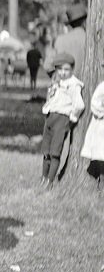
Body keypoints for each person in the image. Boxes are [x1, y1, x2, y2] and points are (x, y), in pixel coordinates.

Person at [41, 52, 84, 186]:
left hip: (62, 118)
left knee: (55, 152)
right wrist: (46, 108)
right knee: (46, 151)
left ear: (72, 69)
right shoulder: (56, 80)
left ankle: (50, 180)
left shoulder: (73, 84)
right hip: (50, 117)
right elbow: (51, 97)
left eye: (66, 69)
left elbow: (79, 104)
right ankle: (43, 177)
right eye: (60, 69)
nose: (63, 72)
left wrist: (72, 118)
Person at [51, 3, 87, 76]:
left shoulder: (59, 40)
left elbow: (48, 66)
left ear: (70, 24)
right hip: (88, 84)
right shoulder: (92, 40)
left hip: (65, 83)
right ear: (84, 22)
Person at [80, 77, 104, 180]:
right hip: (102, 124)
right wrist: (101, 111)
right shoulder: (102, 87)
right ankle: (102, 179)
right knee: (101, 152)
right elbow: (95, 101)